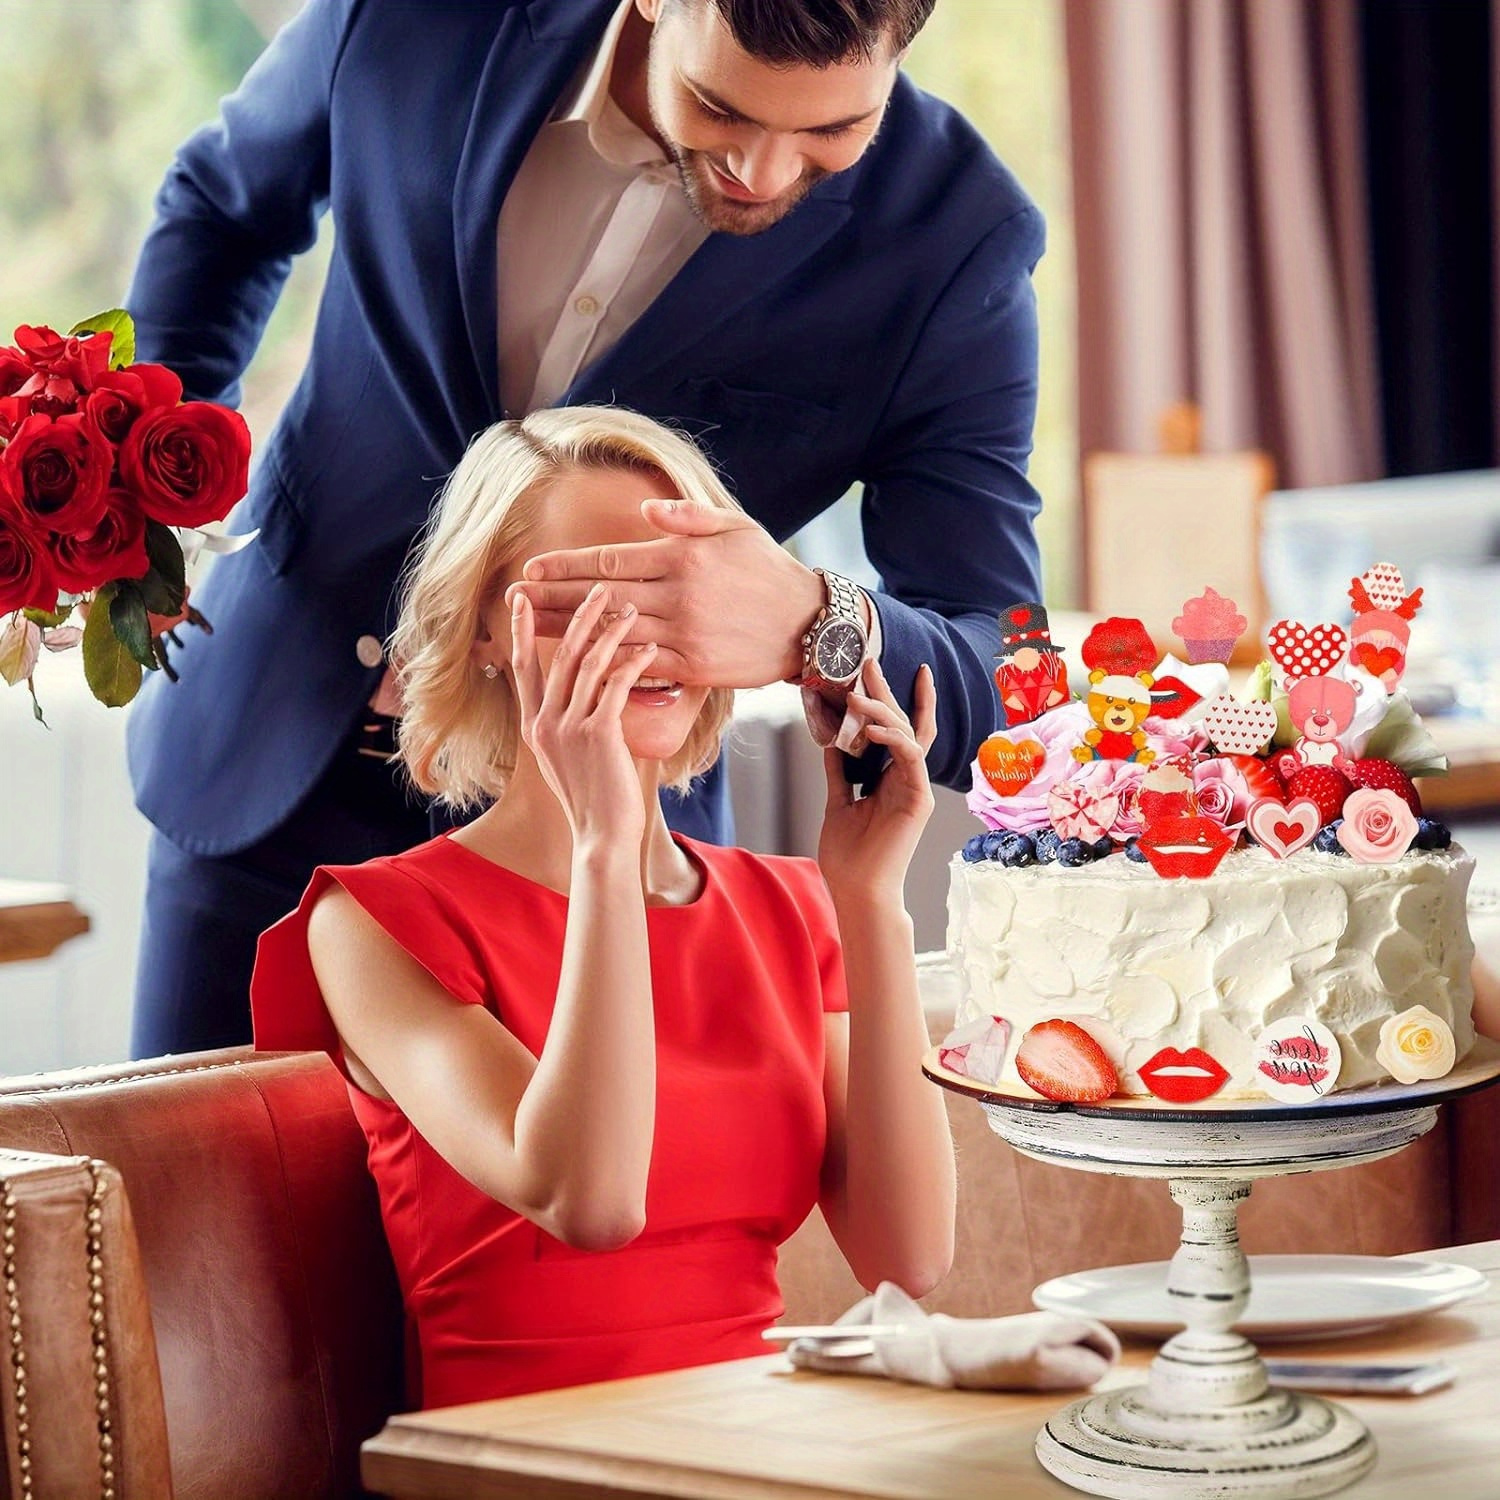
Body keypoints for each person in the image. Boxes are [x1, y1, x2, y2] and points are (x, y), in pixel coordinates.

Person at [127, 0, 1047, 1056]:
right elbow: (219, 208)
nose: (764, 170)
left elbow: (1009, 668)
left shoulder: (956, 244)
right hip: (265, 752)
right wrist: (159, 502)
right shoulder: (404, 18)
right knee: (181, 1207)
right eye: (719, 107)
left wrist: (814, 616)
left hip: (605, 873)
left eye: (831, 135)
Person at [249, 407, 957, 1406]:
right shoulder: (376, 923)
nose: (651, 635)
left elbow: (909, 1255)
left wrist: (872, 899)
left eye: (677, 591)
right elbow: (589, 1200)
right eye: (598, 593)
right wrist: (603, 847)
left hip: (757, 1447)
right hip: (516, 1463)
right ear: (492, 627)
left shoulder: (794, 908)